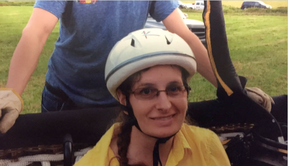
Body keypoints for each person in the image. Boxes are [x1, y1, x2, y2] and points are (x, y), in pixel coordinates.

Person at [56, 29, 249, 166]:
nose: (165, 105)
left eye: (174, 88)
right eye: (146, 91)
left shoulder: (206, 147)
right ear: (123, 99)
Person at [0, 0, 217, 134]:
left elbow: (185, 37)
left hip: (118, 99)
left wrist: (227, 85)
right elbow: (36, 31)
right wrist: (13, 93)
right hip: (65, 98)